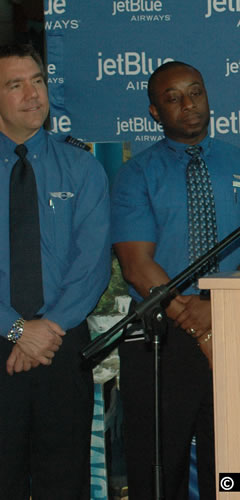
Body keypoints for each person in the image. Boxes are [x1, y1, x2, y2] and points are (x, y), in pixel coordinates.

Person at [111, 61, 240, 500]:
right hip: (162, 335)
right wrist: (195, 320)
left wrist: (217, 309)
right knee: (159, 470)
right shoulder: (136, 174)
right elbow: (137, 264)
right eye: (172, 98)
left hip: (235, 328)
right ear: (154, 112)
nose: (188, 105)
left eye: (195, 92)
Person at [0, 43, 111, 499]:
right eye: (15, 84)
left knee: (64, 480)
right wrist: (14, 328)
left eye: (38, 81)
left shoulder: (82, 167)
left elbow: (92, 263)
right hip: (3, 341)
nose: (32, 94)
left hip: (61, 346)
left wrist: (44, 331)